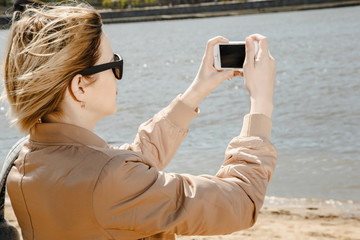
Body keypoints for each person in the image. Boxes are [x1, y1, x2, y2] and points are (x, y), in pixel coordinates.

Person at [2, 1, 277, 240]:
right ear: (80, 87)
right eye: (113, 64)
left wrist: (197, 90)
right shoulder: (109, 179)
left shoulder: (25, 161)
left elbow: (130, 165)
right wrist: (261, 102)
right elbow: (241, 200)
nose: (118, 73)